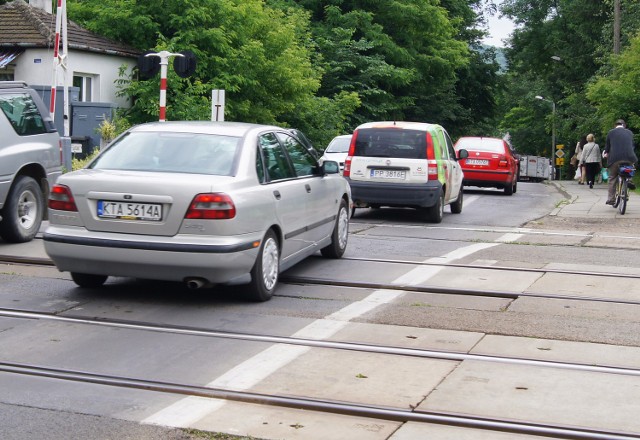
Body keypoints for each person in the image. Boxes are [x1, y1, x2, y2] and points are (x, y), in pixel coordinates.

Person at [604, 119, 638, 204]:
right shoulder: (630, 133)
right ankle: (629, 180)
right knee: (630, 168)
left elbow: (607, 148)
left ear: (615, 125)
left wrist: (606, 154)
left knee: (612, 177)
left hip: (615, 158)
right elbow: (632, 146)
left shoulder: (611, 132)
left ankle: (611, 199)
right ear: (624, 125)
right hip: (630, 157)